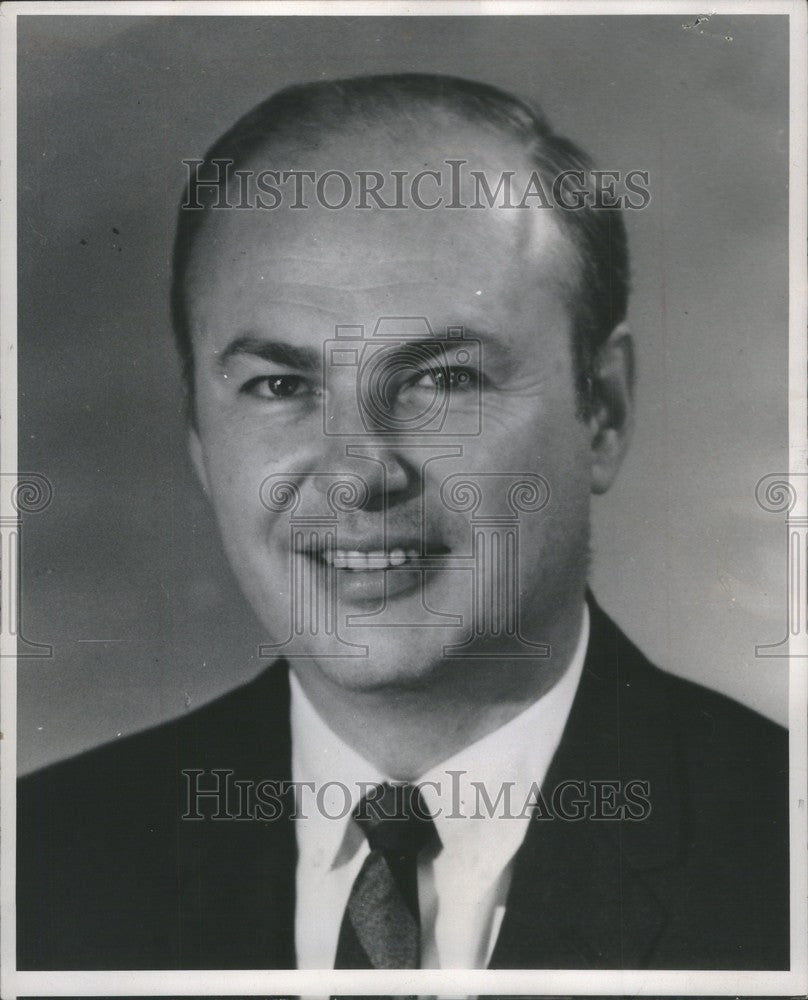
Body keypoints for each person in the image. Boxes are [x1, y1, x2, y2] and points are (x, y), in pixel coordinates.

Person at [17, 74, 789, 972]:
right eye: (281, 386)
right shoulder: (41, 867)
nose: (359, 471)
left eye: (443, 381)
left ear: (603, 412)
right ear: (199, 439)